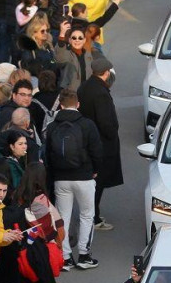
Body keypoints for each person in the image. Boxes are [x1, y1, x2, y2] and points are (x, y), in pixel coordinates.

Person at [43, 91, 101, 270]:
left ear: (60, 105)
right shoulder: (87, 124)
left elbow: (47, 154)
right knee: (86, 215)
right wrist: (95, 170)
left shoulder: (53, 127)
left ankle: (66, 257)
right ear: (78, 104)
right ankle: (84, 255)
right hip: (84, 176)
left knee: (63, 217)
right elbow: (97, 151)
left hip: (61, 179)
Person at [78, 58, 121, 235]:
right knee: (98, 182)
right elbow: (106, 122)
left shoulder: (85, 87)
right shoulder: (101, 93)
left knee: (94, 182)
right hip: (102, 144)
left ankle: (92, 215)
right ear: (106, 72)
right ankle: (93, 217)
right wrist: (112, 134)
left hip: (88, 142)